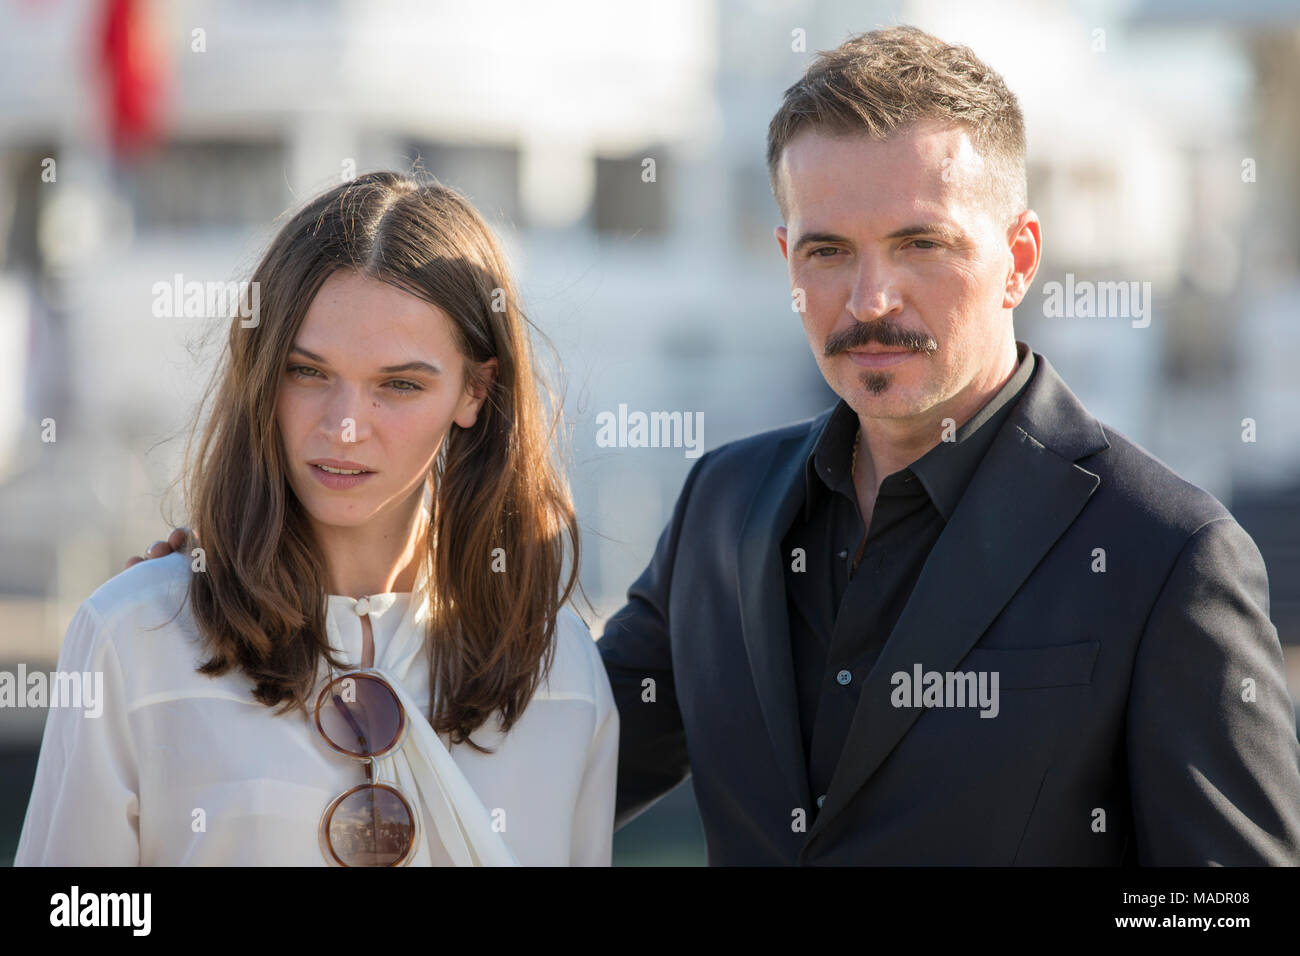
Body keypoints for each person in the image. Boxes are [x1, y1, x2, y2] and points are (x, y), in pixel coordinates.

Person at [118, 26, 1300, 866]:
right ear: (785, 257)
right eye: (826, 248)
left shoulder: (1165, 555)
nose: (870, 295)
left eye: (920, 243)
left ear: (1021, 254)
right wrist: (266, 600)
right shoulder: (728, 507)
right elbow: (535, 732)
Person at [16, 171, 617, 866]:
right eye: (308, 372)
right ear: (264, 371)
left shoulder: (561, 669)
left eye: (399, 384)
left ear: (475, 390)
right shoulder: (133, 636)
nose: (345, 426)